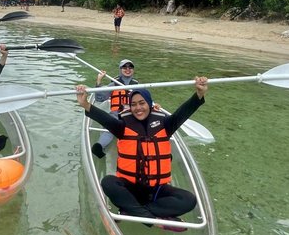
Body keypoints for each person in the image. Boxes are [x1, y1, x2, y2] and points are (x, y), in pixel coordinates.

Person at [76, 77, 208, 226]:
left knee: (189, 200)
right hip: (131, 189)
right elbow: (104, 118)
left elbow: (183, 112)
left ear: (149, 104)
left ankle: (132, 211)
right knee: (108, 182)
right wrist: (85, 103)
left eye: (141, 103)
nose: (138, 108)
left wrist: (199, 95)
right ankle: (152, 219)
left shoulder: (166, 125)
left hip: (157, 190)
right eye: (133, 104)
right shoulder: (122, 126)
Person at [91, 59, 139, 158]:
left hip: (133, 114)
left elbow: (146, 101)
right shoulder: (113, 85)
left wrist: (153, 105)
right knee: (109, 129)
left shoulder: (138, 86)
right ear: (120, 69)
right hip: (116, 114)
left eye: (130, 67)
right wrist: (99, 80)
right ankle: (99, 146)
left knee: (140, 128)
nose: (128, 69)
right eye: (124, 67)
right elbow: (99, 98)